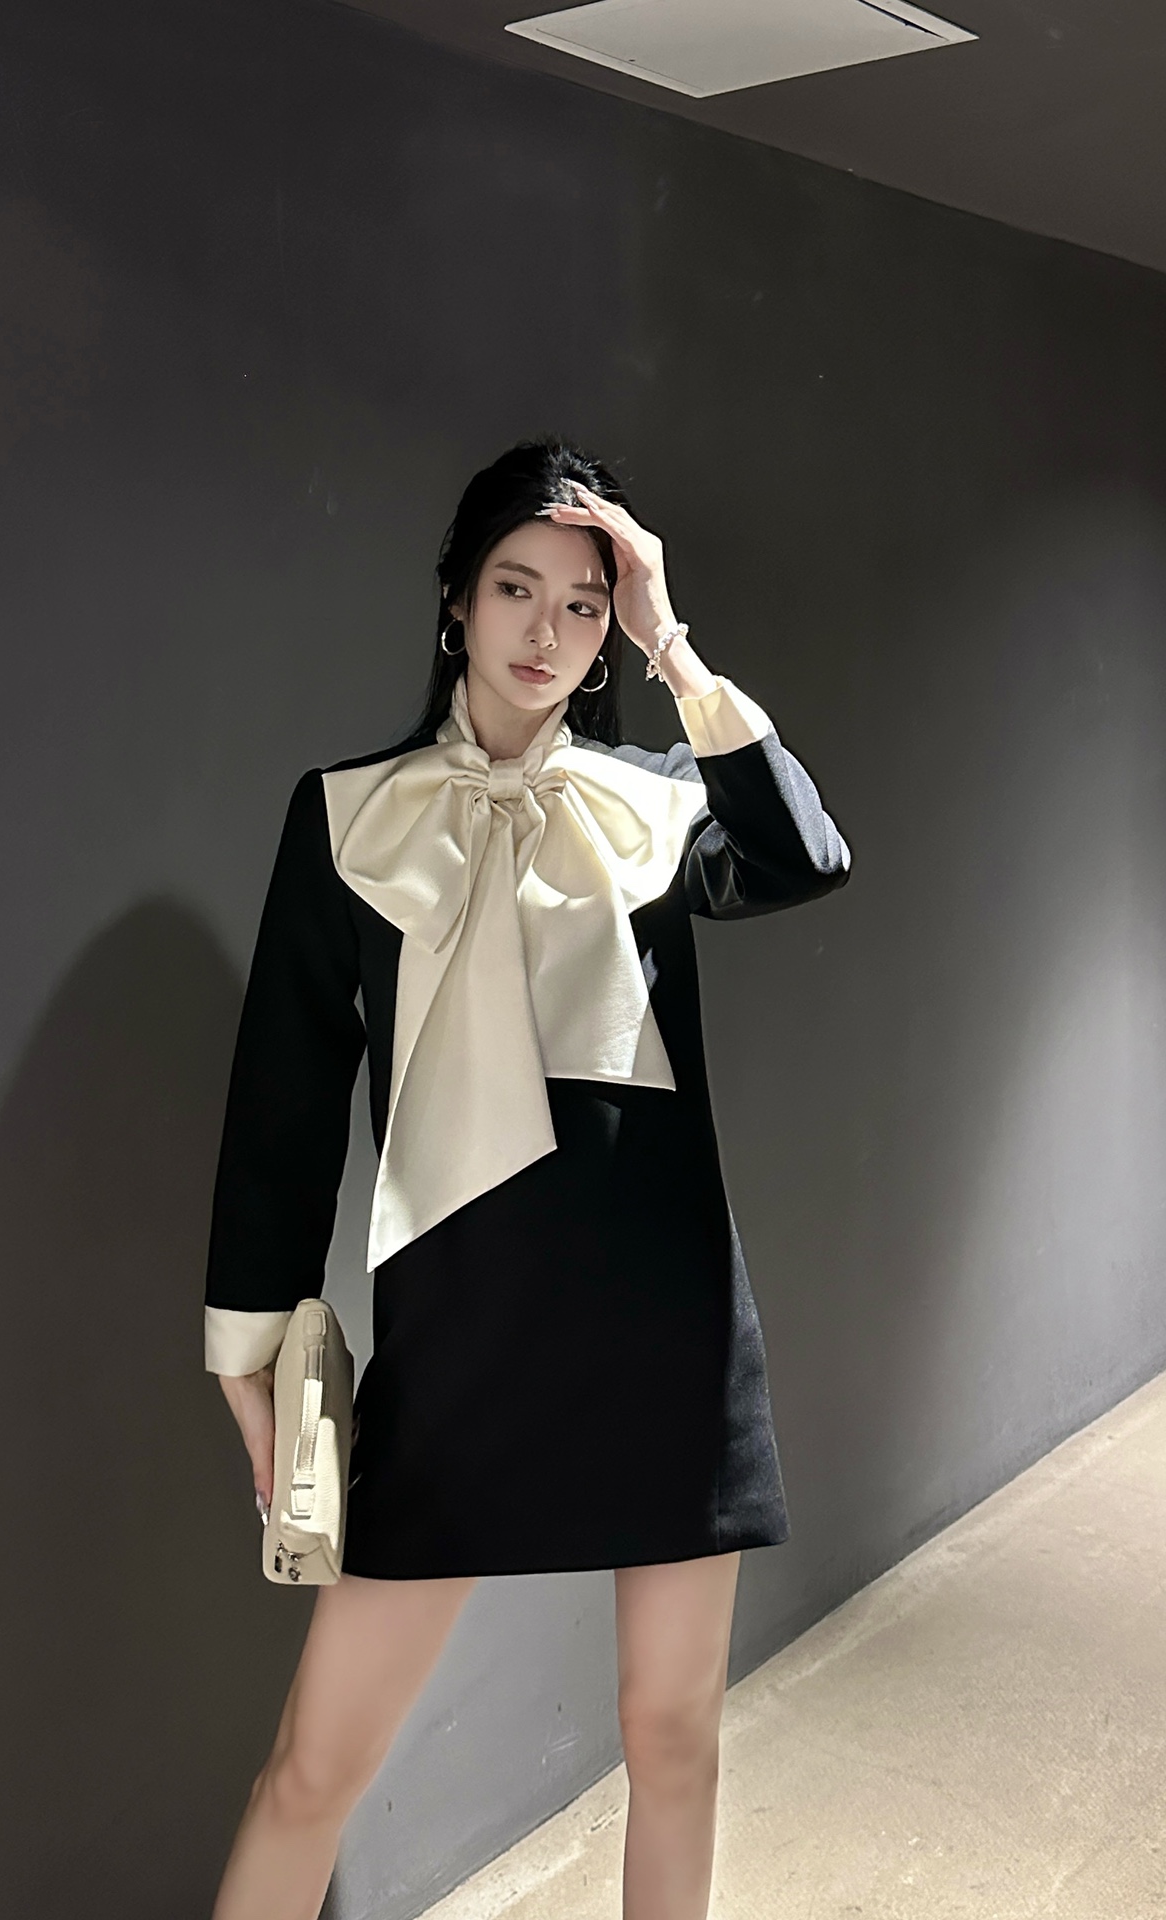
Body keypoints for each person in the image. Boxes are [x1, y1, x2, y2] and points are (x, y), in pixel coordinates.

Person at [203, 438, 851, 1920]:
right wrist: (252, 1346)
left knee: (673, 1741)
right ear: (456, 601)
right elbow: (284, 1103)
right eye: (516, 588)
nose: (547, 630)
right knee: (311, 1771)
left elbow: (805, 852)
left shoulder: (654, 800)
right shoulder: (348, 814)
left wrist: (674, 644)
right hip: (461, 1336)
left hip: (667, 1335)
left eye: (583, 603)